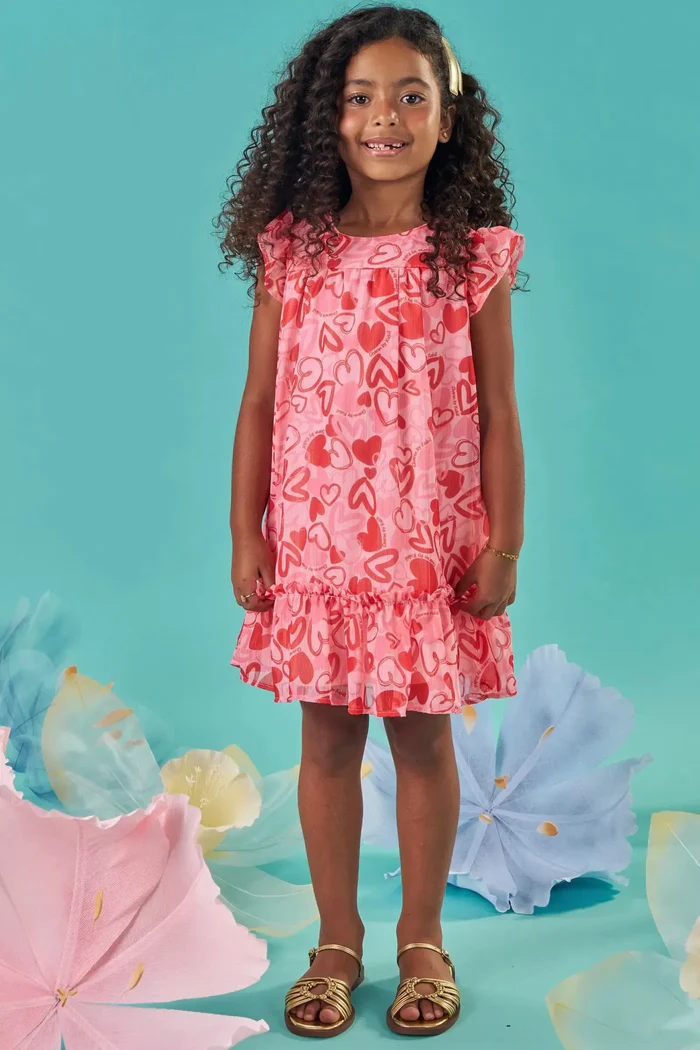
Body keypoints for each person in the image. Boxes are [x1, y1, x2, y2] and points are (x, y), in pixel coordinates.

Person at [216, 4, 526, 1038]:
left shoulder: (470, 260)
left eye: (410, 95)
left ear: (448, 118)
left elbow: (498, 413)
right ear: (327, 120)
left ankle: (422, 939)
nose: (384, 117)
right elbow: (259, 402)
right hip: (319, 547)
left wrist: (505, 542)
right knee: (327, 741)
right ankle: (337, 939)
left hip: (427, 550)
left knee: (425, 744)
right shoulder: (293, 254)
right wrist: (247, 533)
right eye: (359, 98)